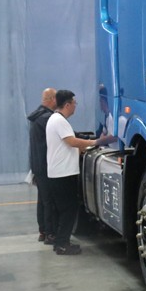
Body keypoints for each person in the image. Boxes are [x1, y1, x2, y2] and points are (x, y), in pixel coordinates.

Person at [46, 90, 116, 255]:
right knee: (68, 210)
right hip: (63, 173)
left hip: (59, 172)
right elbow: (71, 141)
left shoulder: (55, 119)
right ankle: (62, 244)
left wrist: (85, 148)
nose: (75, 106)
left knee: (65, 209)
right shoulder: (59, 121)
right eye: (74, 103)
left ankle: (61, 241)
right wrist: (96, 141)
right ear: (67, 104)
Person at [28, 87, 57, 244]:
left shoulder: (37, 116)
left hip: (37, 164)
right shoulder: (47, 118)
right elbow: (63, 136)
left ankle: (43, 231)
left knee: (43, 199)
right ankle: (50, 233)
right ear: (52, 99)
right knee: (49, 201)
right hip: (46, 165)